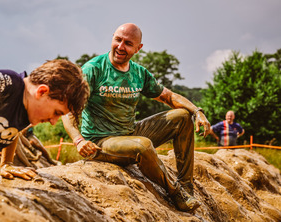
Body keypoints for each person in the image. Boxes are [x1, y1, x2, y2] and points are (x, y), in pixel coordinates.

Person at [62, 23, 211, 212]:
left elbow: (168, 96)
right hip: (101, 142)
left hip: (129, 132)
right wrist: (78, 140)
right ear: (112, 38)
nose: (120, 47)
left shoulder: (139, 73)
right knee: (143, 145)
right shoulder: (93, 69)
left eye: (128, 43)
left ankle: (186, 186)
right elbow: (68, 110)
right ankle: (175, 193)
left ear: (138, 48)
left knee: (183, 116)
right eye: (118, 40)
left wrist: (197, 111)